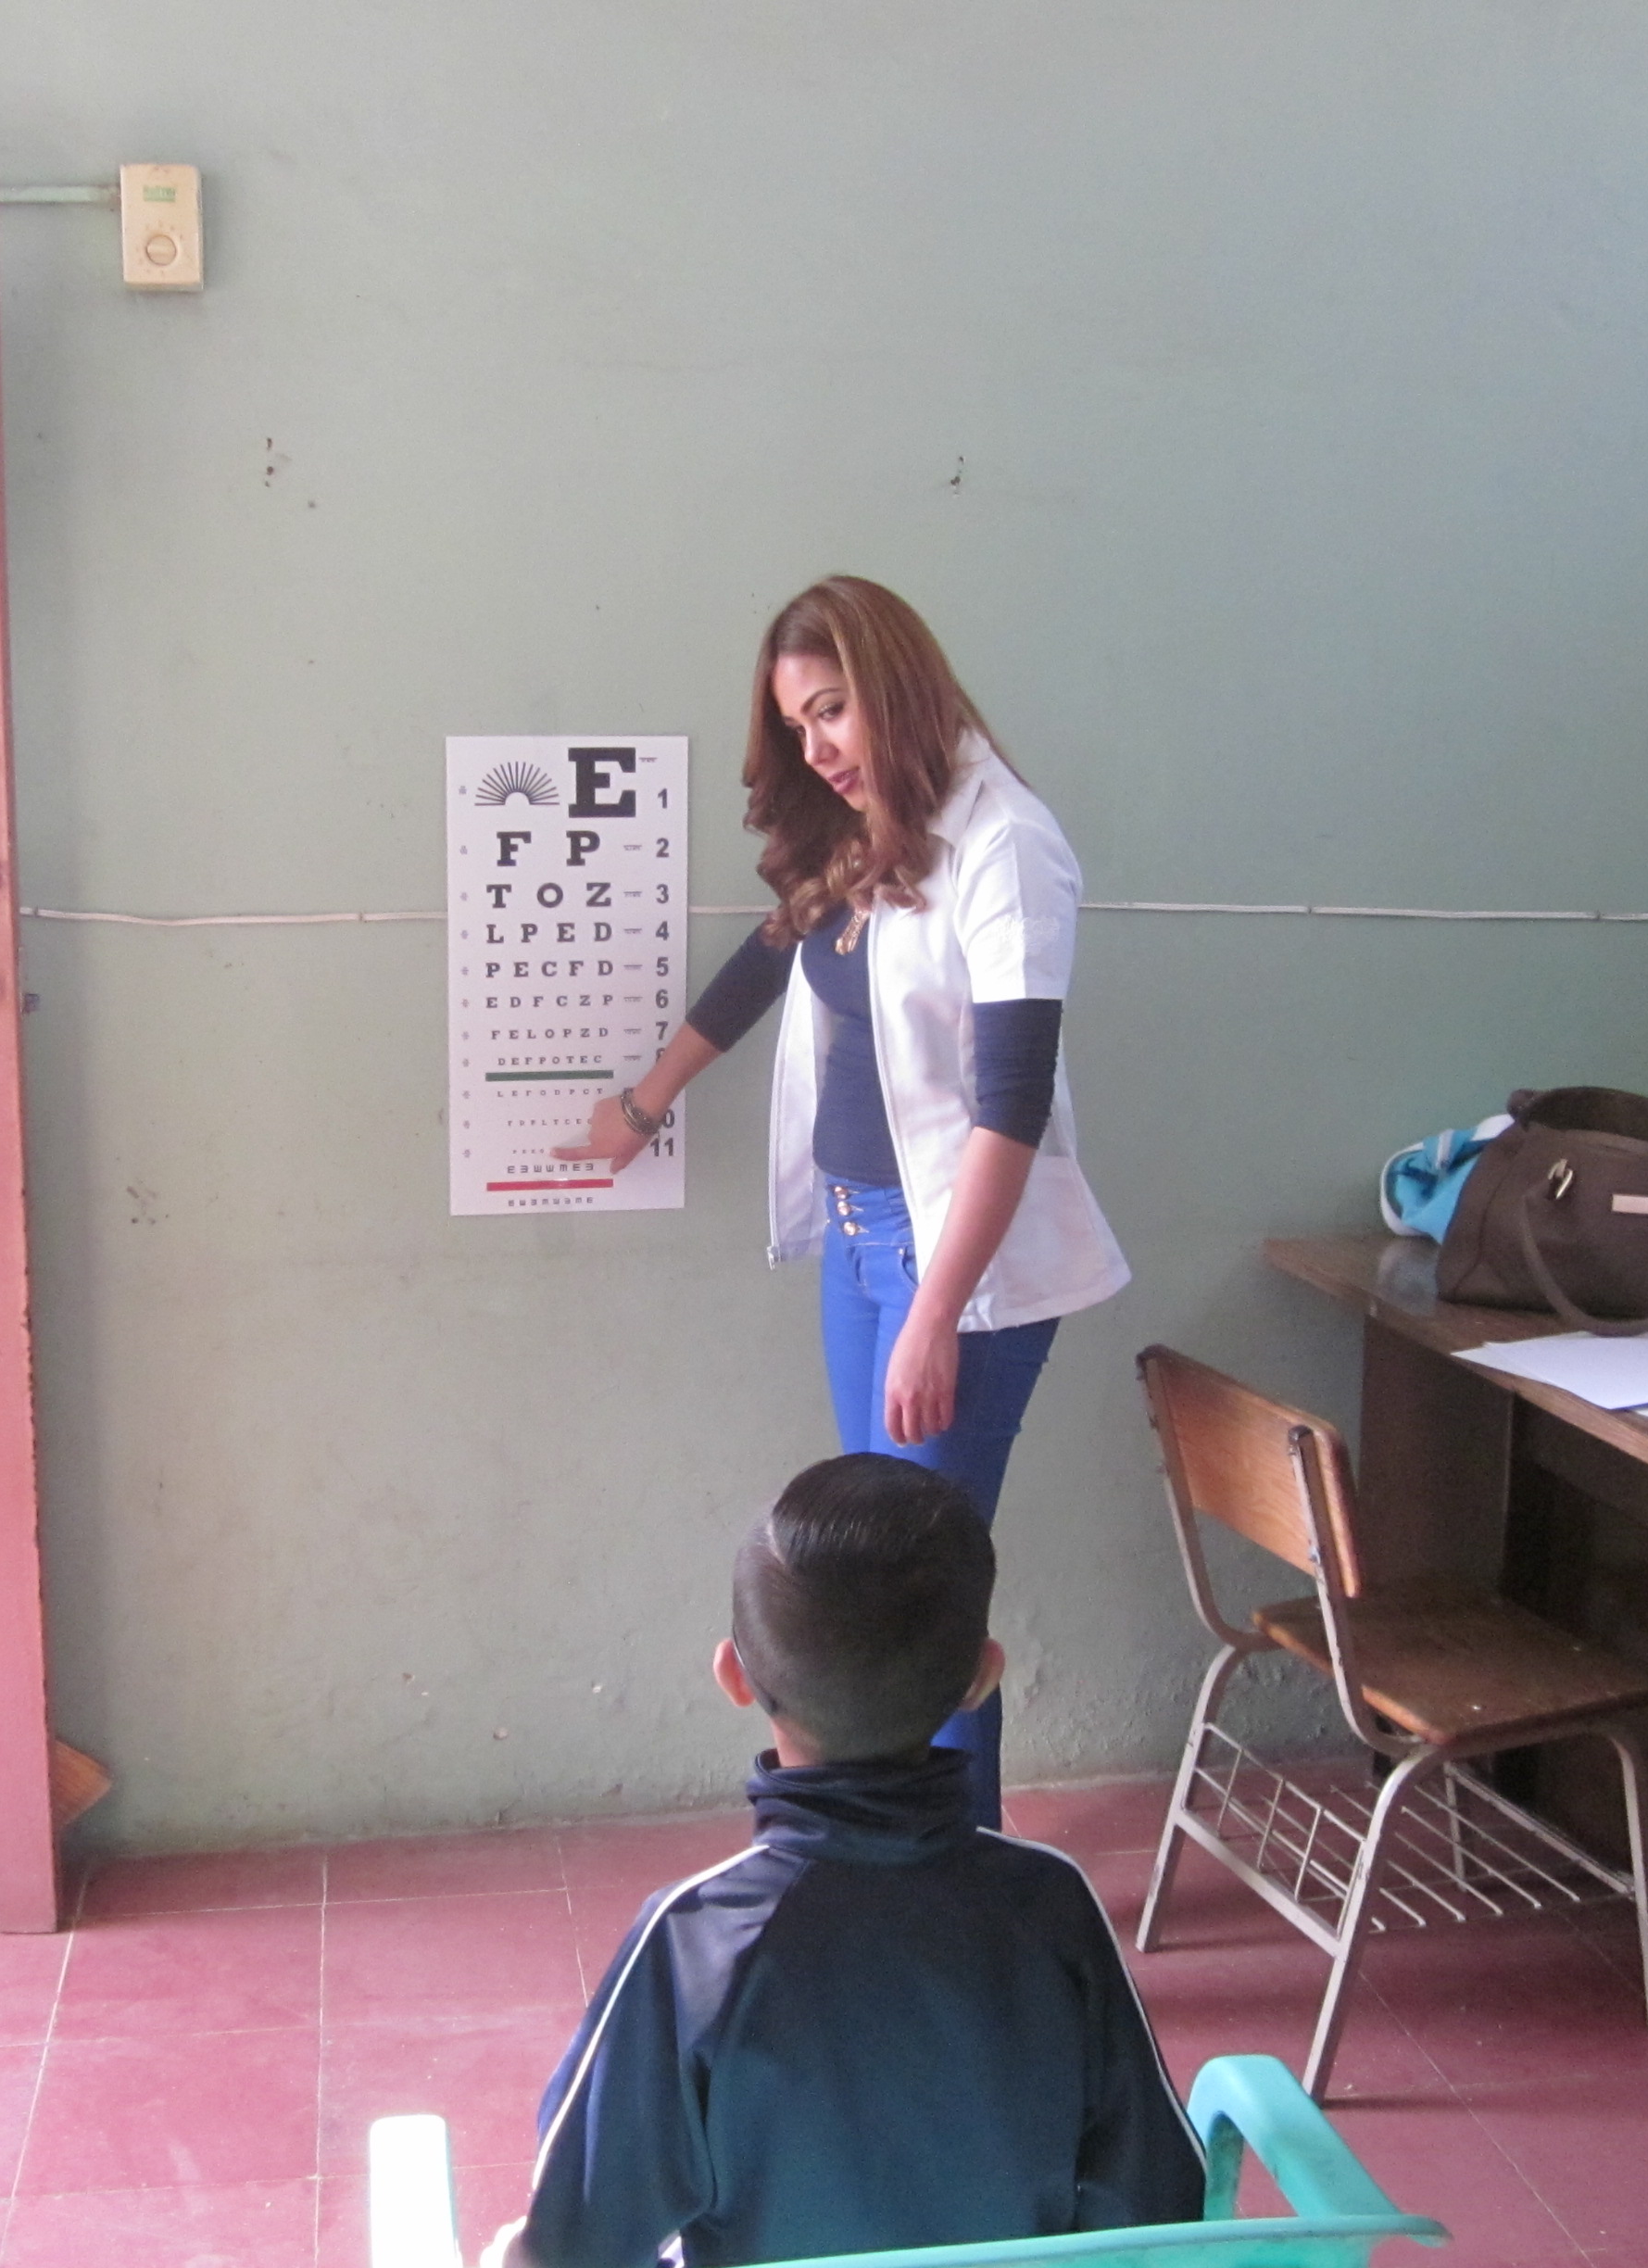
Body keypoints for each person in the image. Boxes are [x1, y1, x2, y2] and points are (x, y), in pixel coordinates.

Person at [557, 575, 1129, 1830]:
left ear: (897, 686)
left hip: (954, 1266)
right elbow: (769, 961)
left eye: (832, 710)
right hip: (863, 1244)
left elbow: (1013, 1102)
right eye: (796, 725)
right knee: (882, 1585)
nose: (816, 748)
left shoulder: (1006, 844)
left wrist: (938, 1311)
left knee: (914, 1600)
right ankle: (905, 1868)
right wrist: (646, 1101)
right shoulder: (868, 829)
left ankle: (954, 1879)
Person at [496, 1455, 1204, 2268]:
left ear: (734, 1676)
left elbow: (573, 2244)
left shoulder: (693, 1942)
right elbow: (1155, 2198)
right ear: (983, 1678)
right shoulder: (1051, 1903)